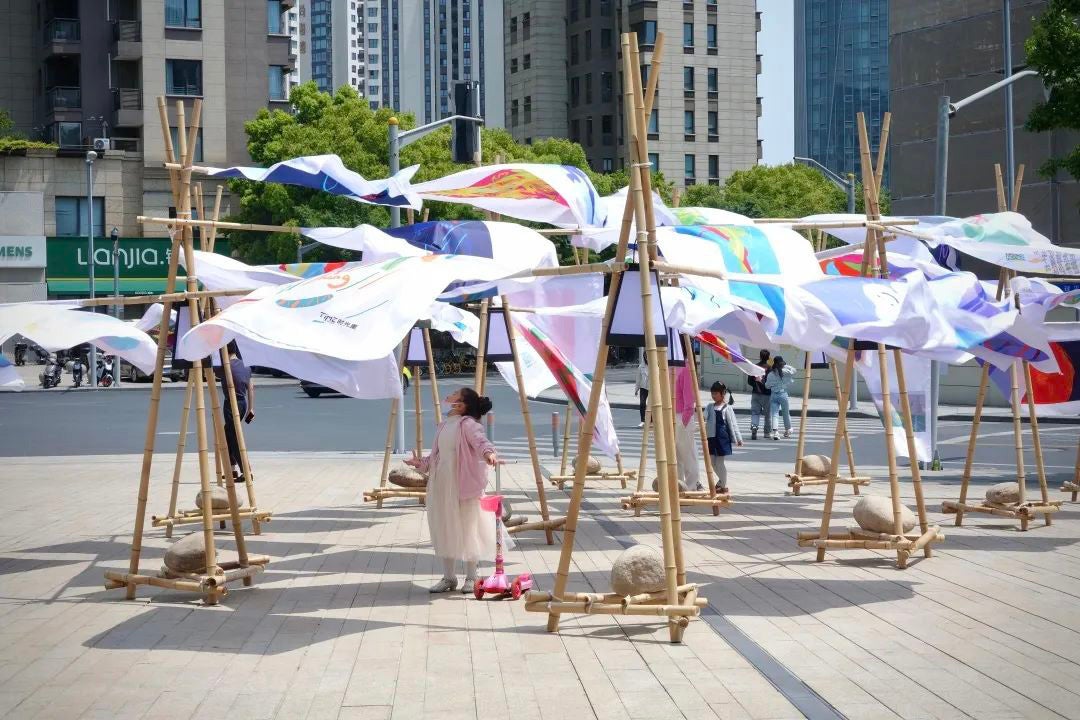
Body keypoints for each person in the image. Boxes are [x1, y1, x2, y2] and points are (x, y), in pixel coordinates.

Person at [406, 387, 498, 594]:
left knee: (468, 528)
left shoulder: (468, 424)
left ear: (462, 404)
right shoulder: (445, 425)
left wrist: (488, 453)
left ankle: (472, 577)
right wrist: (421, 463)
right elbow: (437, 456)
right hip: (441, 483)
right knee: (444, 526)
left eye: (456, 393)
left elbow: (481, 442)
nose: (451, 394)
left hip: (462, 483)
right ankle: (449, 577)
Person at [215, 341, 255, 483]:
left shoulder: (225, 367)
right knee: (228, 434)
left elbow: (208, 371)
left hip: (231, 404)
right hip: (243, 403)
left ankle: (246, 471)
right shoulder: (246, 366)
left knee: (234, 437)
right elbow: (251, 387)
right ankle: (231, 469)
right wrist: (251, 408)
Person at [704, 381, 742, 493]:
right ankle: (721, 482)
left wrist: (738, 438)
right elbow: (704, 417)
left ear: (723, 393)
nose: (714, 396)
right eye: (712, 393)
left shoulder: (727, 408)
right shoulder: (709, 407)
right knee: (712, 463)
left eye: (716, 393)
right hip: (711, 438)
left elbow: (733, 424)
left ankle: (723, 484)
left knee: (720, 463)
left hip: (722, 439)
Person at [673, 364, 703, 491]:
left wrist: (685, 419)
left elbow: (689, 397)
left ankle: (691, 485)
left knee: (687, 453)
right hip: (671, 415)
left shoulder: (684, 367)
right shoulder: (667, 365)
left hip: (681, 415)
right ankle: (679, 485)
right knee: (676, 455)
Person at [764, 354, 795, 440]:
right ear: (782, 363)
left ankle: (776, 432)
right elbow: (794, 370)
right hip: (783, 394)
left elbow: (767, 386)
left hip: (774, 395)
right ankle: (788, 430)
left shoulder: (771, 374)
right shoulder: (785, 372)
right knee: (786, 413)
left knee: (774, 414)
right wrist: (785, 365)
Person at [747, 349, 772, 441]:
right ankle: (767, 433)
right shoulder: (770, 368)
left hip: (756, 393)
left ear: (760, 356)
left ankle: (754, 426)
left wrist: (755, 385)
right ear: (768, 358)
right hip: (767, 394)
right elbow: (771, 381)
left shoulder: (754, 367)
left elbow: (749, 381)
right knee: (767, 414)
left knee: (755, 412)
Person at [634, 351, 650, 428]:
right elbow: (638, 379)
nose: (647, 358)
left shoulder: (656, 365)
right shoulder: (641, 367)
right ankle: (643, 421)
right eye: (645, 356)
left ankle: (651, 421)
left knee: (652, 405)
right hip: (643, 387)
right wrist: (636, 389)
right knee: (642, 404)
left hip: (652, 388)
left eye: (648, 356)